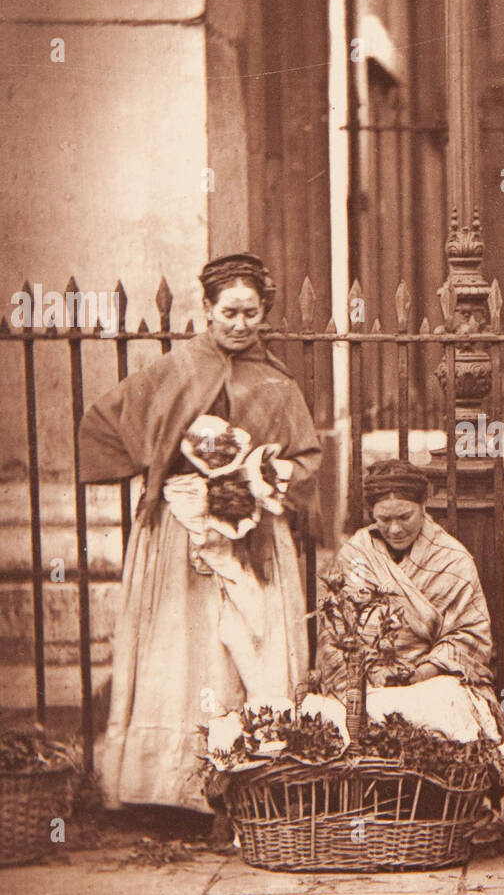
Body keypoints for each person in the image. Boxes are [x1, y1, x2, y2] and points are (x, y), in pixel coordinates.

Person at [78, 254, 321, 813]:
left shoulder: (277, 383)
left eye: (251, 313)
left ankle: (249, 781)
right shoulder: (177, 369)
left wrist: (262, 475)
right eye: (228, 312)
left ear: (265, 314)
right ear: (206, 309)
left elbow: (306, 459)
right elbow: (105, 422)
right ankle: (169, 787)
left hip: (252, 534)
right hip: (178, 535)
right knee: (181, 645)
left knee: (247, 645)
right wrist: (164, 468)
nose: (240, 324)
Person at [316, 459, 504, 743]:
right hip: (366, 682)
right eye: (383, 519)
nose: (394, 529)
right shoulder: (355, 555)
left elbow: (468, 636)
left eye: (404, 517)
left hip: (429, 681)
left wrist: (418, 674)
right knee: (335, 716)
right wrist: (366, 675)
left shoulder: (452, 559)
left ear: (423, 506)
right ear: (371, 514)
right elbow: (334, 632)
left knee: (443, 711)